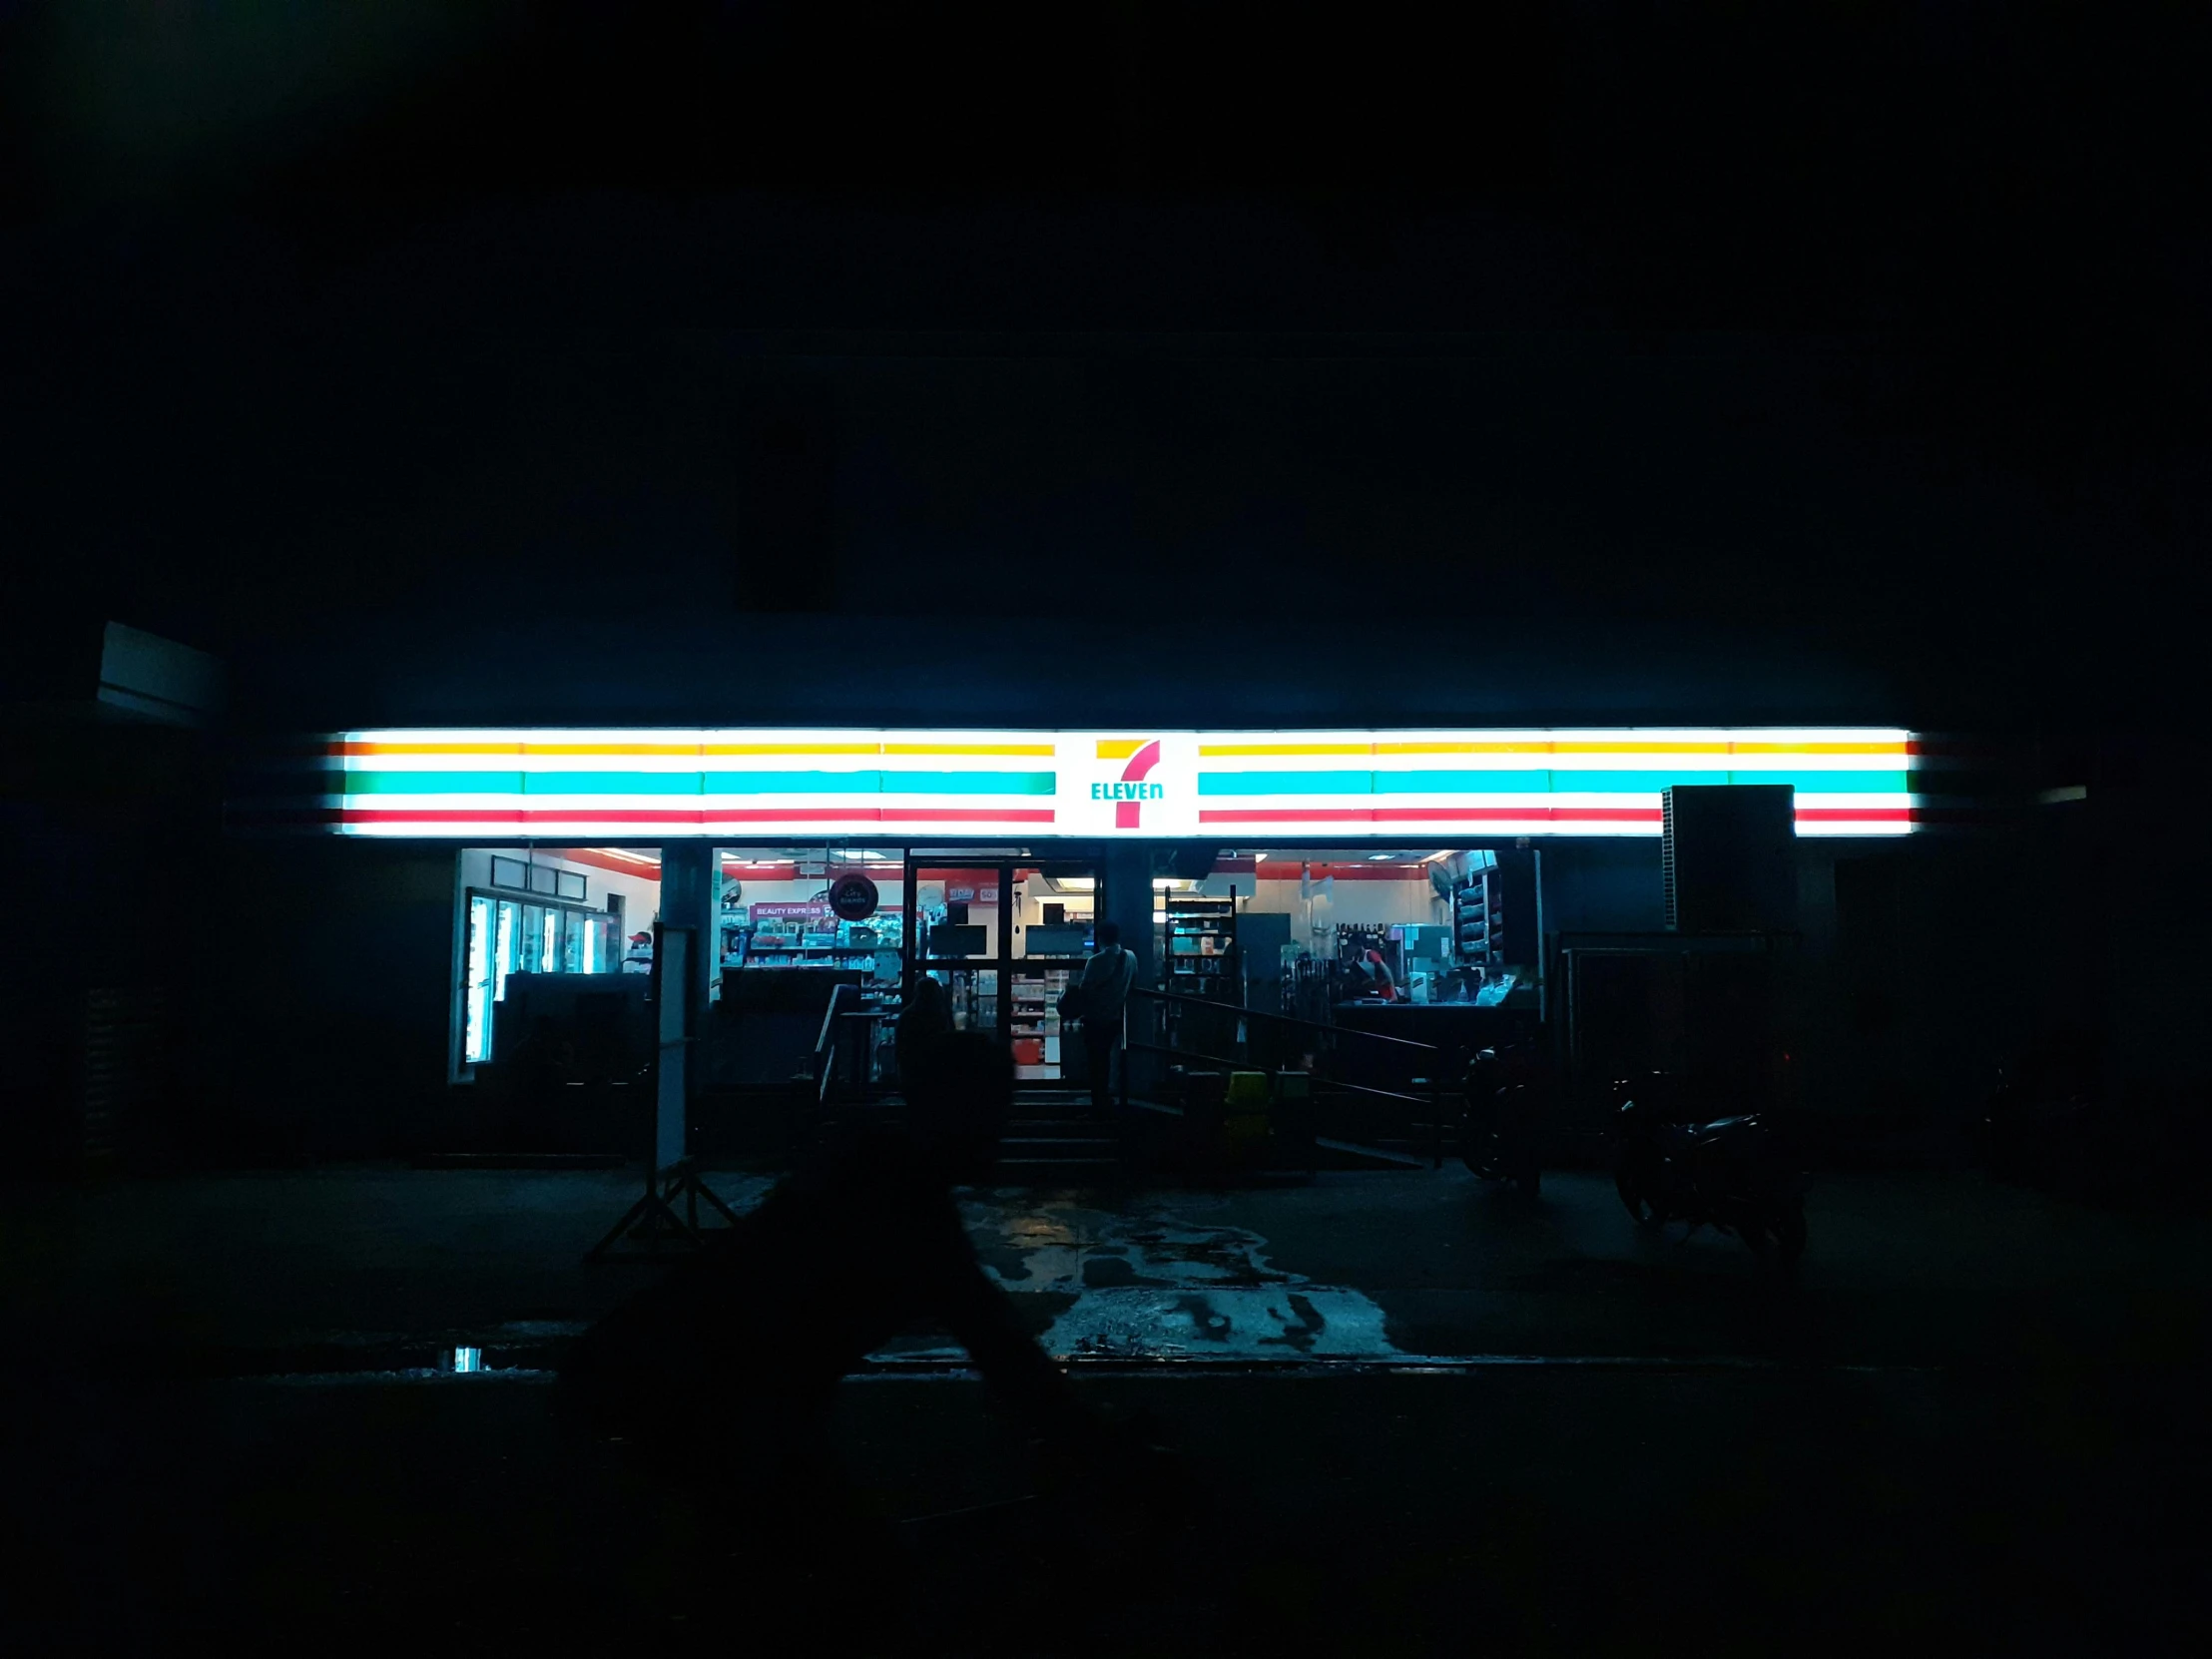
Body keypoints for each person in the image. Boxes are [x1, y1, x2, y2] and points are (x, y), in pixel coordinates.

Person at [554, 1032, 1148, 1625]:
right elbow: (994, 1336)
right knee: (849, 1565)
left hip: (668, 1376)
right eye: (994, 1111)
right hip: (688, 1389)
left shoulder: (876, 1166)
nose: (1002, 1129)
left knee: (774, 1542)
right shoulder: (899, 1194)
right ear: (957, 1110)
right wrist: (1087, 1437)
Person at [1076, 919, 1138, 1113]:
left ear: (1100, 938)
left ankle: (1098, 1099)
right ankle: (1108, 1096)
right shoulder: (1131, 957)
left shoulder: (1095, 961)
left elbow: (1084, 990)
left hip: (1095, 1019)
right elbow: (1133, 984)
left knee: (1096, 1061)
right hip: (1115, 1017)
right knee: (1109, 1058)